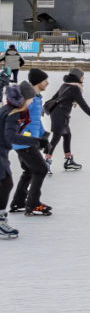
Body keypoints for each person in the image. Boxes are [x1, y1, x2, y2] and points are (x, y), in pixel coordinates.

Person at [10, 69, 52, 216]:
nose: (47, 82)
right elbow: (19, 118)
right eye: (45, 80)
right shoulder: (29, 99)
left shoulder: (37, 98)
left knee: (29, 171)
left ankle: (18, 202)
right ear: (38, 82)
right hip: (24, 142)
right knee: (41, 170)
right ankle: (33, 204)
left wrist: (43, 137)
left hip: (27, 141)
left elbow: (35, 121)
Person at [44, 67, 90, 173]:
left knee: (67, 135)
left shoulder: (65, 85)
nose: (83, 79)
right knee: (56, 138)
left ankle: (68, 160)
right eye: (83, 77)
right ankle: (46, 161)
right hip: (60, 114)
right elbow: (83, 104)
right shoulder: (75, 88)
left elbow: (54, 98)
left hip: (61, 114)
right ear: (78, 77)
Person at [1, 82, 33, 238]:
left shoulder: (8, 109)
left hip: (2, 151)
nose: (32, 101)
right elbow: (10, 136)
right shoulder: (13, 113)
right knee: (6, 183)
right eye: (30, 98)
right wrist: (35, 141)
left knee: (5, 183)